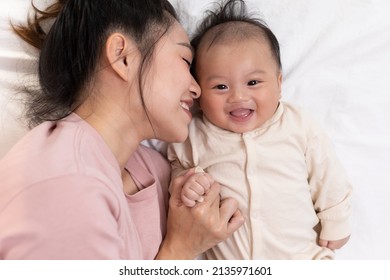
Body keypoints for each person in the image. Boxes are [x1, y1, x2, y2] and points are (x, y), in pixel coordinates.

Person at [0, 0, 245, 260]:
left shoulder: (150, 167)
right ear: (123, 56)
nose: (197, 89)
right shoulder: (65, 184)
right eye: (185, 60)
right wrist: (181, 249)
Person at [168, 0, 352, 260]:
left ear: (279, 83)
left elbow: (327, 173)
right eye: (221, 87)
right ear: (198, 93)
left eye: (253, 82)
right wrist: (187, 184)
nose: (239, 97)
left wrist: (336, 219)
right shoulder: (194, 135)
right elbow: (177, 170)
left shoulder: (297, 125)